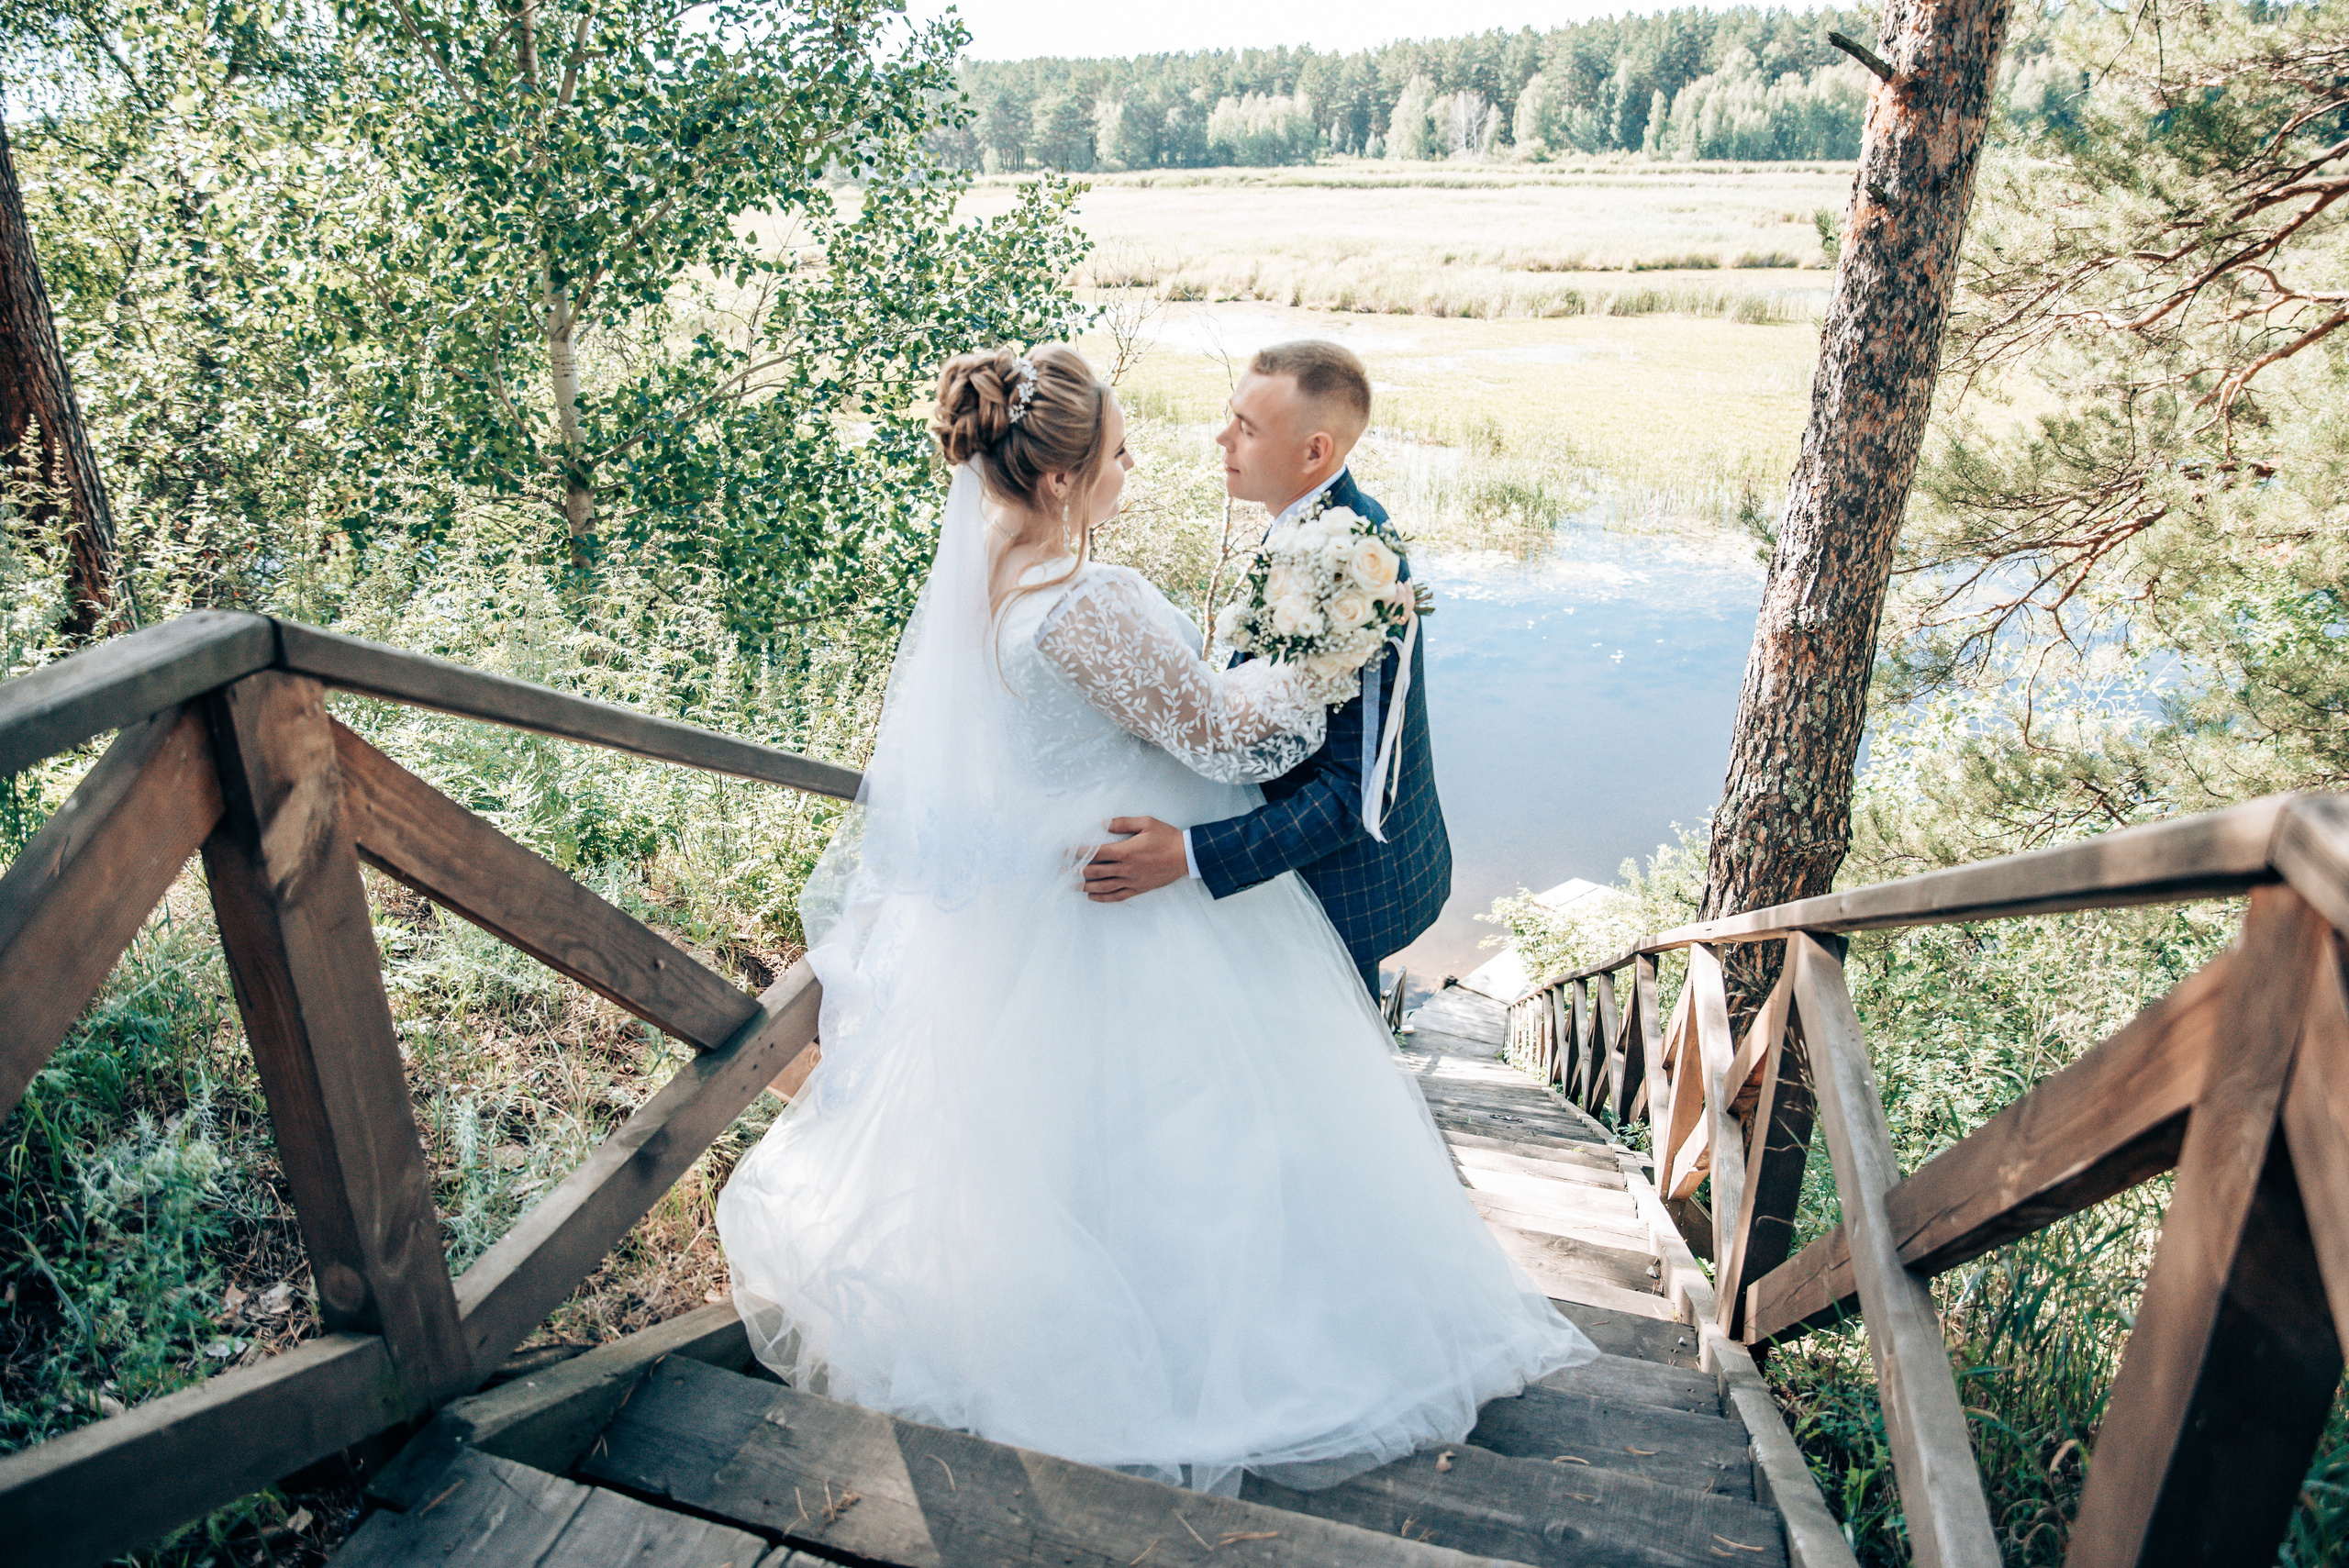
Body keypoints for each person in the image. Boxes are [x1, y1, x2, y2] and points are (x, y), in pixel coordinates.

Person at [715, 344, 1594, 1499]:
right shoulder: (1090, 599)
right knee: (1204, 1137)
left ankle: (1036, 1327)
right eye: (1121, 453)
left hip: (1040, 909)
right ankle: (1183, 1363)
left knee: (1065, 1142)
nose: (1142, 465)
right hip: (1138, 904)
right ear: (1062, 483)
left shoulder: (983, 574)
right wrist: (1321, 651)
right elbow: (1235, 742)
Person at [1082, 341, 1447, 1003]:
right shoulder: (1305, 524)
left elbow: (1354, 794)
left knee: (1329, 1069)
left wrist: (1187, 854)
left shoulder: (1349, 565)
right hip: (1286, 871)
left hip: (1342, 889)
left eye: (1247, 429)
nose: (1223, 438)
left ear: (1315, 452)